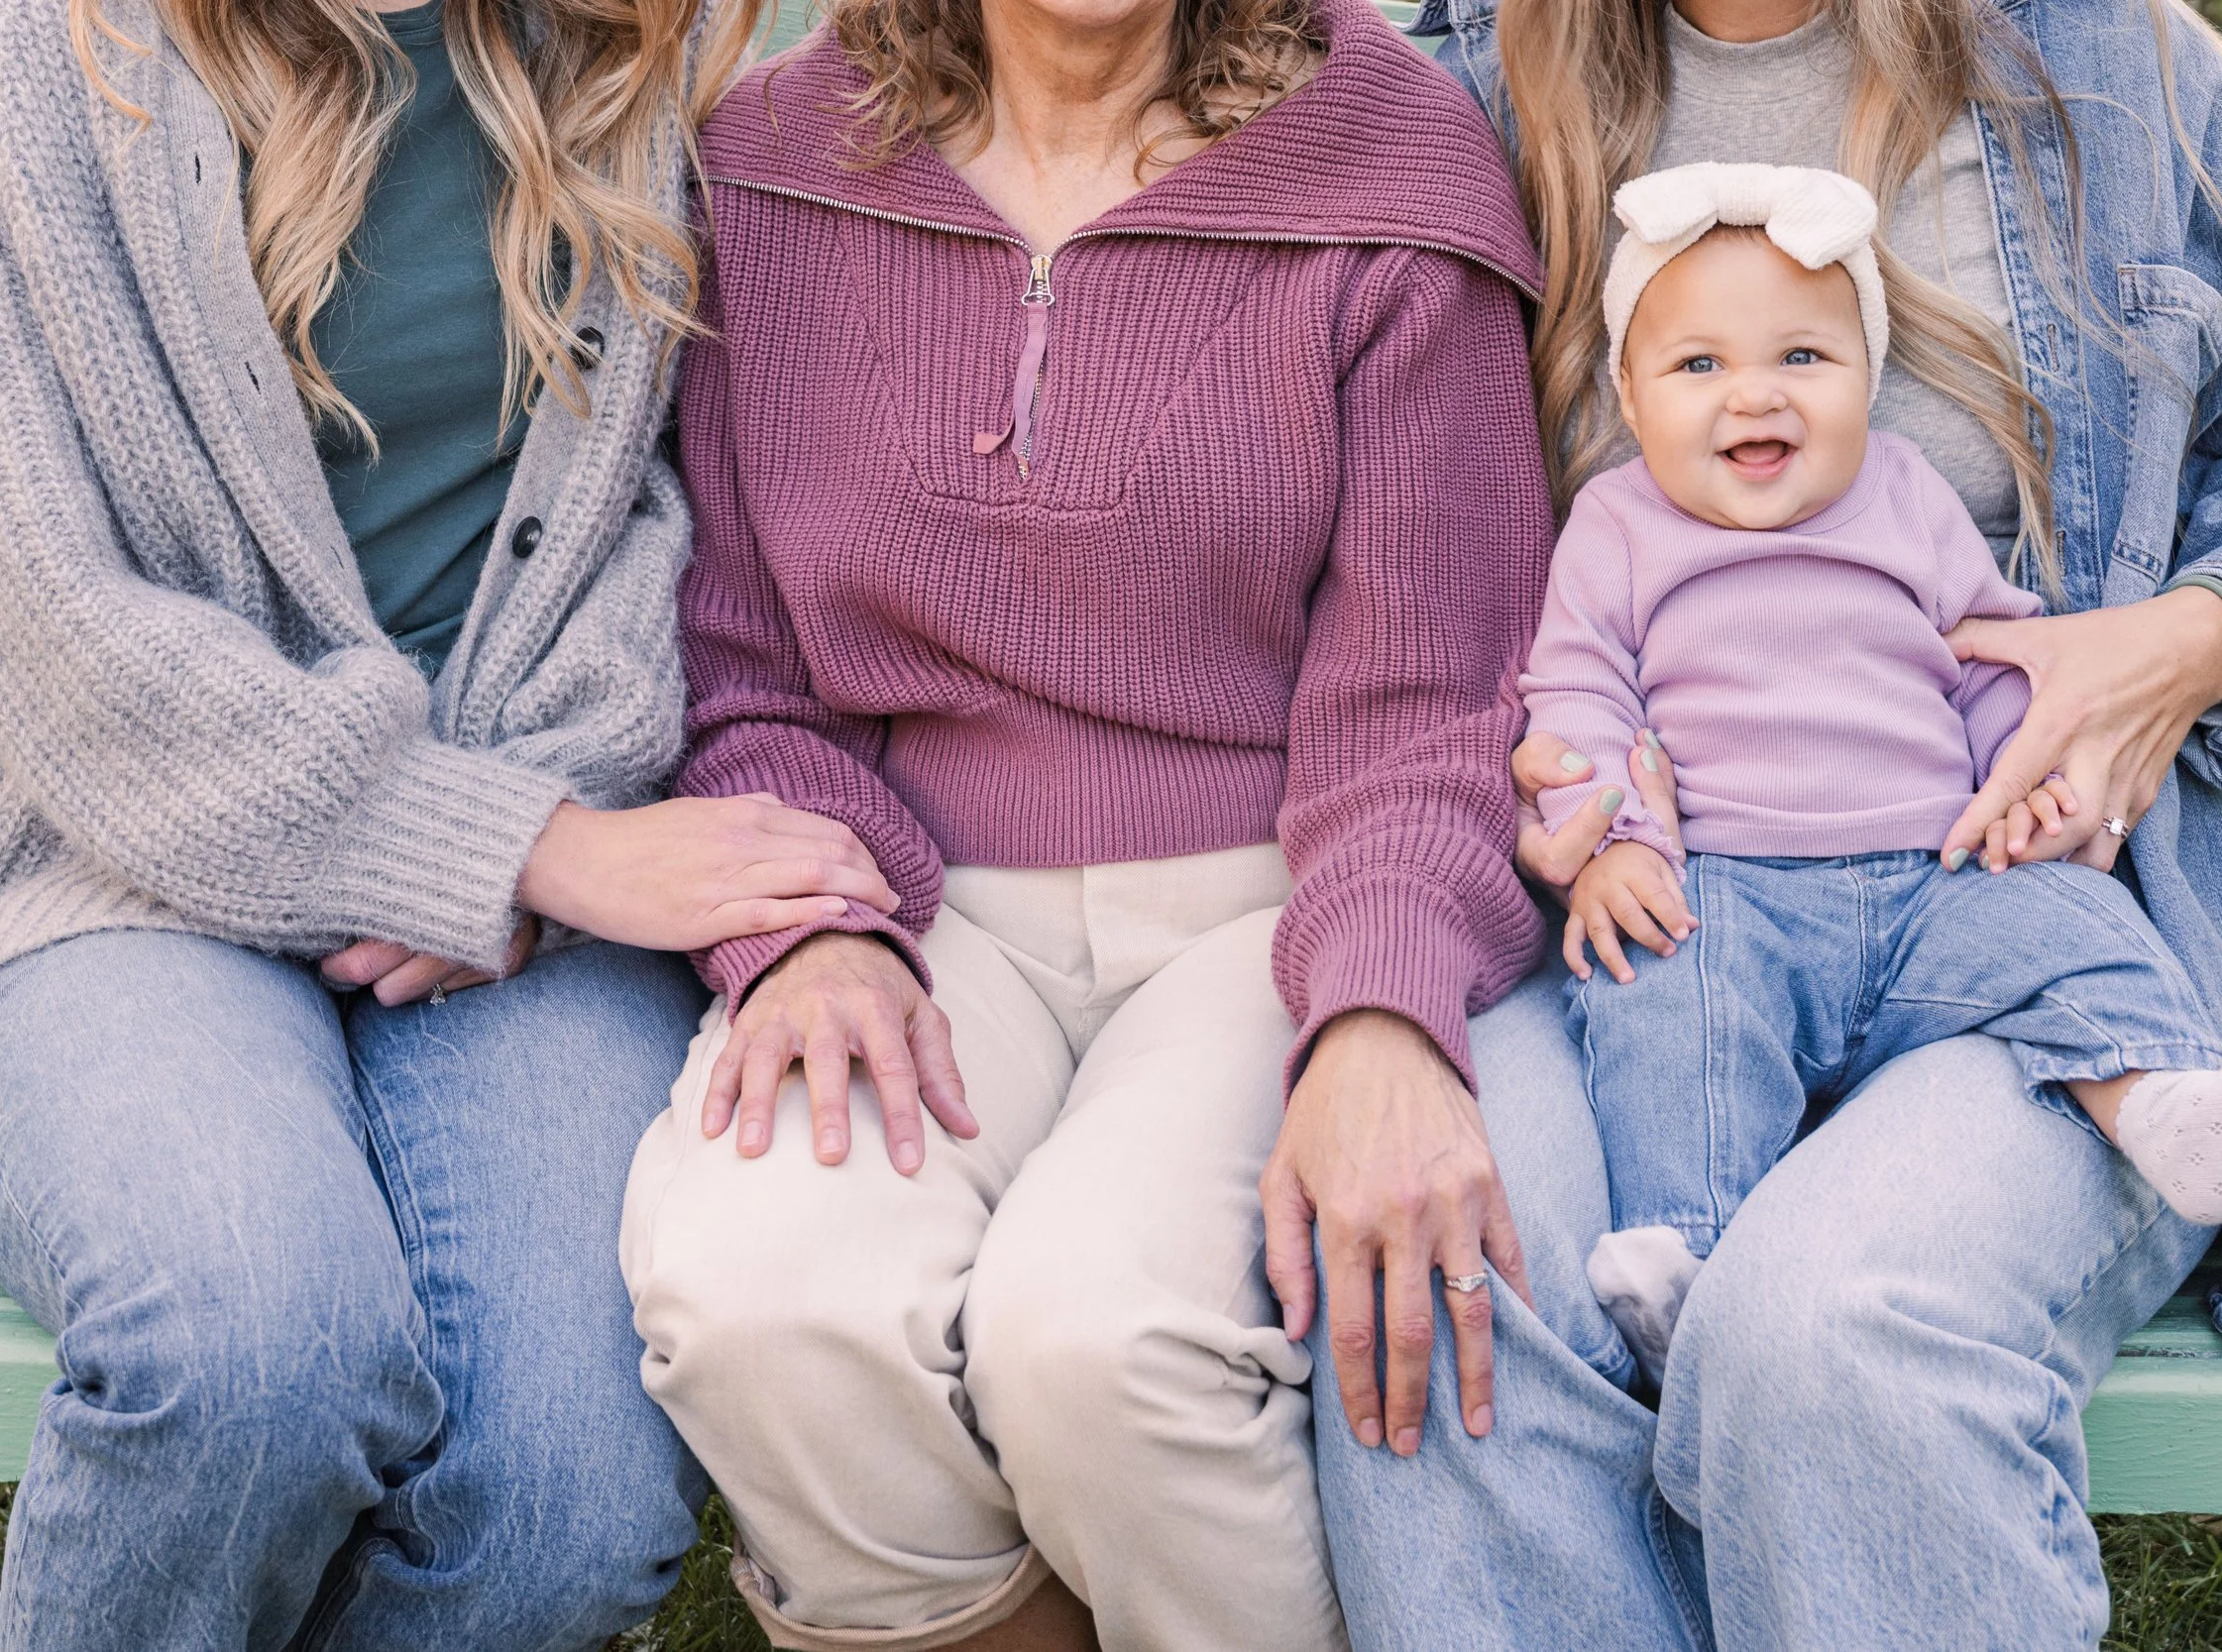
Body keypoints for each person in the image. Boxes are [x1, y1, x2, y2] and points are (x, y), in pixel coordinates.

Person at [1301, 0, 2222, 1642]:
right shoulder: (1467, 78)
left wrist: (2192, 637)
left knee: (1823, 1323)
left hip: (1991, 893)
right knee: (1456, 1265)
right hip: (1624, 932)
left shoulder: (2107, 66)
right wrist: (1558, 781)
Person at [0, 0, 894, 1645]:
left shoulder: (631, 44)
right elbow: (43, 618)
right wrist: (497, 846)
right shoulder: (27, 44)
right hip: (115, 863)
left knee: (565, 1505)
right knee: (249, 1355)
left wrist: (538, 828)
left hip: (540, 861)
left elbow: (680, 510)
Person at [611, 0, 1556, 1642]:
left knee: (1100, 1340)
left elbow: (1437, 690)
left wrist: (1384, 1003)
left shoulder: (1391, 162)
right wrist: (807, 925)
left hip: (1277, 904)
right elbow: (732, 660)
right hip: (903, 897)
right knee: (755, 1294)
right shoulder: (770, 168)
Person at [1527, 161, 2222, 1379]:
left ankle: (2167, 1110)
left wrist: (2024, 788)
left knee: (2080, 923)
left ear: (1869, 374)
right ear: (1628, 392)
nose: (1752, 395)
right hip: (1725, 891)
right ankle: (1686, 1262)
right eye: (1697, 365)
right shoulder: (1616, 526)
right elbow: (1580, 694)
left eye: (1802, 358)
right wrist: (1608, 843)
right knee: (1657, 999)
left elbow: (1983, 657)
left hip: (1936, 876)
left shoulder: (1903, 497)